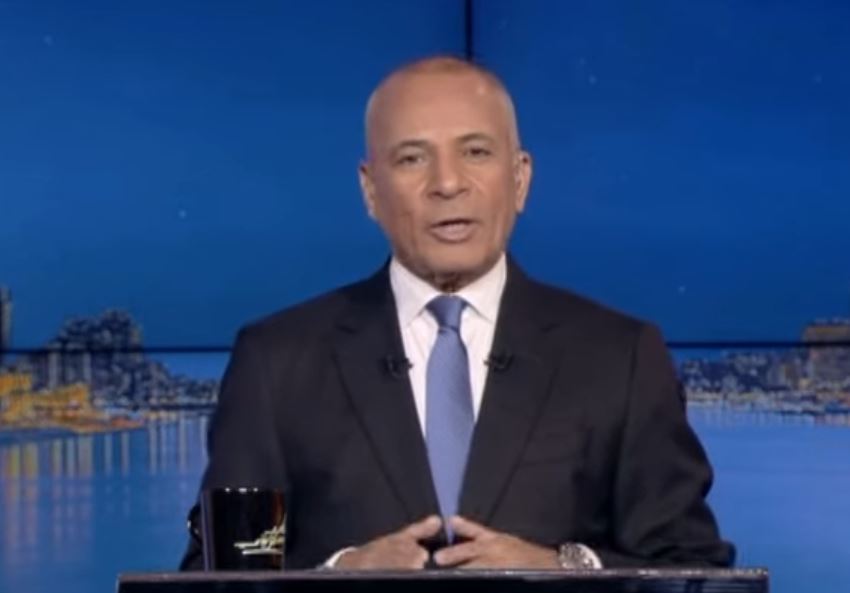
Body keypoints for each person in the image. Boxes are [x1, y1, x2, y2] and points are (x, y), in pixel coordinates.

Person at [180, 56, 734, 571]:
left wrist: (563, 571)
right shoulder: (276, 363)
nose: (447, 184)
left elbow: (694, 572)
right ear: (370, 191)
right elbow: (214, 579)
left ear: (520, 179)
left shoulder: (620, 357)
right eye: (412, 158)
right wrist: (336, 575)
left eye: (475, 152)